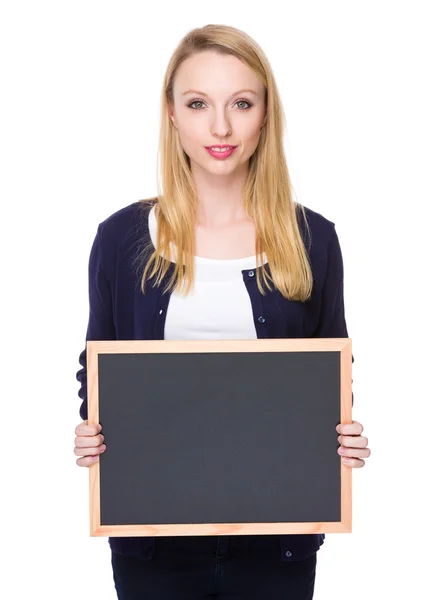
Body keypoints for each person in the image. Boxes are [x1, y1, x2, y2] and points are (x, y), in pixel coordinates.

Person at [73, 23, 371, 600]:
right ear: (172, 115)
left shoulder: (312, 239)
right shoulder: (120, 239)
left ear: (266, 113)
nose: (220, 127)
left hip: (276, 540)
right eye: (198, 103)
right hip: (151, 539)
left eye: (241, 103)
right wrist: (95, 432)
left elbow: (329, 374)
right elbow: (98, 366)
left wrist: (342, 439)